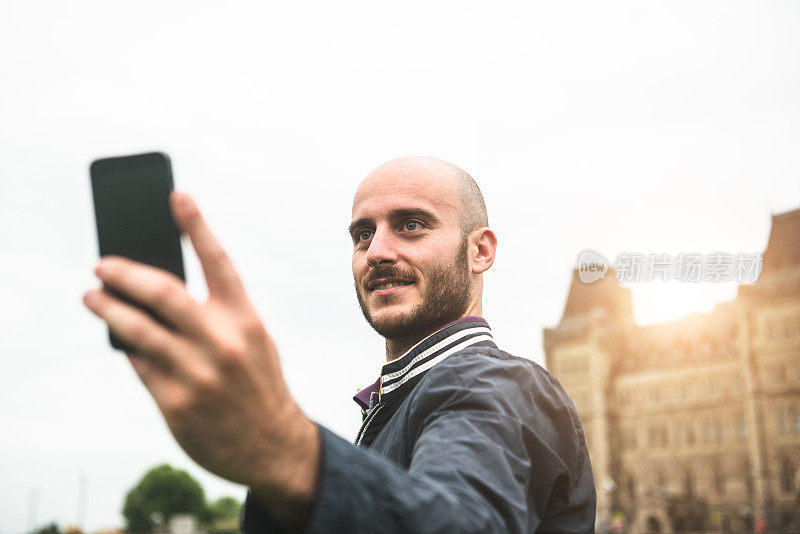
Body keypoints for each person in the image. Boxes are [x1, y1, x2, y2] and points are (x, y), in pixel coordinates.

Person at [83, 156, 596, 533]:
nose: (377, 251)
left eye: (411, 225)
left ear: (480, 250)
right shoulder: (398, 399)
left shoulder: (497, 384)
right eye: (361, 234)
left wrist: (283, 450)